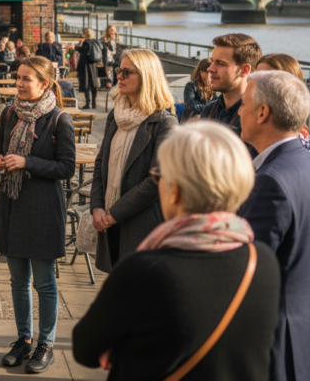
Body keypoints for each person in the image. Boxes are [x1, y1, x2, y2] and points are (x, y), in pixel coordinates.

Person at [73, 122, 281, 380]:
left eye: (159, 177)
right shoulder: (261, 261)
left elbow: (84, 348)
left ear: (175, 191)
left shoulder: (144, 270)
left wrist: (122, 349)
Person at [237, 70, 310, 381]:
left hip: (272, 342)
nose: (238, 111)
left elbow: (248, 269)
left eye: (243, 104)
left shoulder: (270, 181)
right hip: (305, 334)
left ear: (262, 112)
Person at [0, 56, 76, 374]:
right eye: (18, 78)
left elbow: (66, 168)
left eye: (27, 79)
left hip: (42, 210)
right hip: (11, 205)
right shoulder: (9, 113)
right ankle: (23, 340)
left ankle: (46, 344)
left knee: (44, 283)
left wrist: (27, 163)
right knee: (17, 280)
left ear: (44, 83)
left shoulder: (58, 119)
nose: (19, 84)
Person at [89, 48, 178, 272]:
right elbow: (101, 164)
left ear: (147, 76)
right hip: (109, 221)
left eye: (127, 72)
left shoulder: (164, 123)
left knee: (137, 297)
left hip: (141, 225)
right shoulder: (115, 116)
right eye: (119, 70)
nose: (119, 76)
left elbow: (158, 180)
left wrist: (114, 214)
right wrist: (97, 207)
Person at [200, 33, 261, 155]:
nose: (210, 68)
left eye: (220, 63)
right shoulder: (209, 110)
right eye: (212, 61)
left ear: (244, 70)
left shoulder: (258, 117)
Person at [256, 53, 310, 156]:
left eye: (266, 80)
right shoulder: (262, 124)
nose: (256, 84)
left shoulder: (295, 141)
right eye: (256, 77)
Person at [180, 58, 213, 123]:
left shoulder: (213, 88)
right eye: (209, 73)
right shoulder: (191, 86)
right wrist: (210, 107)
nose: (211, 77)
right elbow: (190, 105)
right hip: (190, 124)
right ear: (201, 72)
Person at [76, 28, 100, 109]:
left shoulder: (86, 42)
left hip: (85, 65)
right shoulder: (95, 41)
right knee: (93, 83)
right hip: (93, 64)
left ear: (84, 34)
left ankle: (87, 103)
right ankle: (94, 102)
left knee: (86, 83)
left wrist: (78, 45)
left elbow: (82, 51)